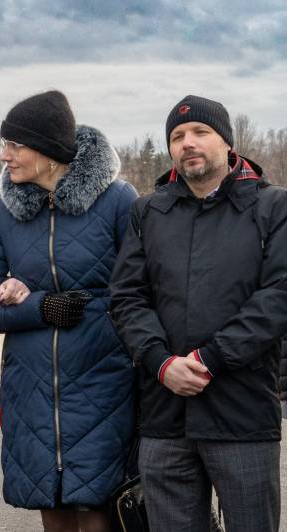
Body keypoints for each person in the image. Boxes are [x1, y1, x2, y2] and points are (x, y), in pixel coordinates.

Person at [110, 95, 287, 532]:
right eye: (177, 136)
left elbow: (278, 296)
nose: (187, 142)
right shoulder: (148, 212)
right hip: (164, 416)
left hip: (242, 415)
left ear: (227, 142)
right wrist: (161, 362)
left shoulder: (273, 207)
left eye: (200, 132)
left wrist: (211, 358)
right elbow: (127, 297)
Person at [0, 90, 137, 532]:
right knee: (52, 511)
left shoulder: (118, 202)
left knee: (102, 512)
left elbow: (140, 291)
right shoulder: (4, 216)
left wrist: (91, 311)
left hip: (105, 382)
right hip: (32, 391)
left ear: (49, 150)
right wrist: (40, 307)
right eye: (3, 144)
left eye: (15, 145)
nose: (5, 155)